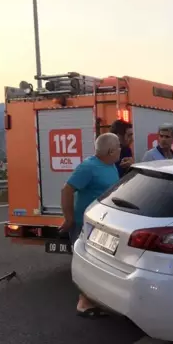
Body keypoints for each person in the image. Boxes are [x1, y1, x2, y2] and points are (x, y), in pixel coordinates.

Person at [59, 133, 121, 318]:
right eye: (118, 146)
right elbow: (67, 190)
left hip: (102, 223)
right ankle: (84, 303)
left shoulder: (110, 166)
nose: (120, 149)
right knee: (87, 263)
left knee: (98, 263)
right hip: (84, 223)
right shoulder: (89, 167)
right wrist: (69, 218)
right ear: (110, 151)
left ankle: (95, 299)